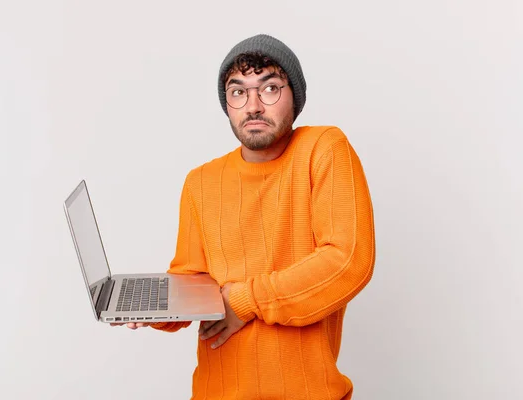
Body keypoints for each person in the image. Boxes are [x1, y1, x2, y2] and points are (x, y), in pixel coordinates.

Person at [113, 33, 376, 400]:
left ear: (294, 97)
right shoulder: (200, 181)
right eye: (238, 92)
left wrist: (245, 301)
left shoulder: (325, 149)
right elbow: (193, 281)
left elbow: (347, 261)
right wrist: (155, 306)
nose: (253, 105)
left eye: (269, 89)